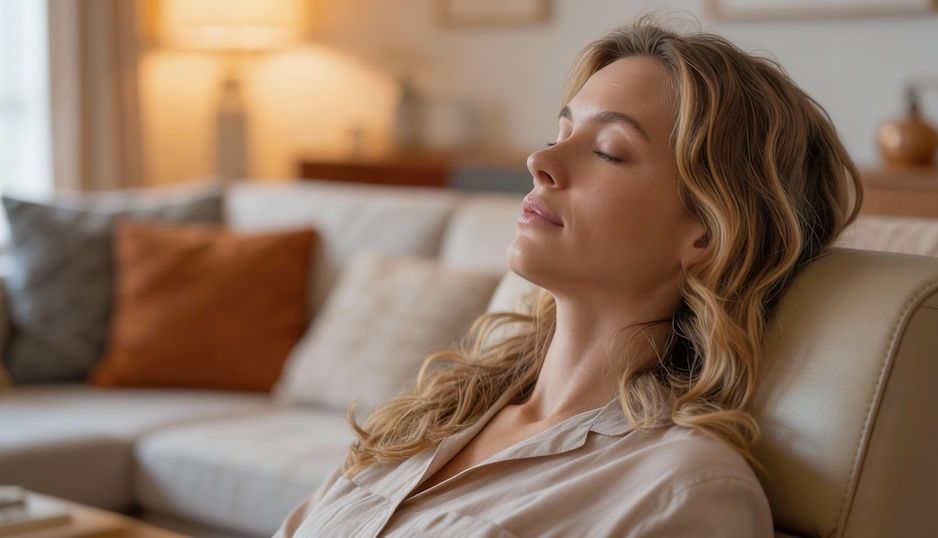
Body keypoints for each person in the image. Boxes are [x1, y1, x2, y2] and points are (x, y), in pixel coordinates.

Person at [274, 12, 861, 538]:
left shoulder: (678, 491)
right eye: (559, 135)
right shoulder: (433, 416)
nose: (540, 162)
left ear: (706, 231)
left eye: (608, 149)